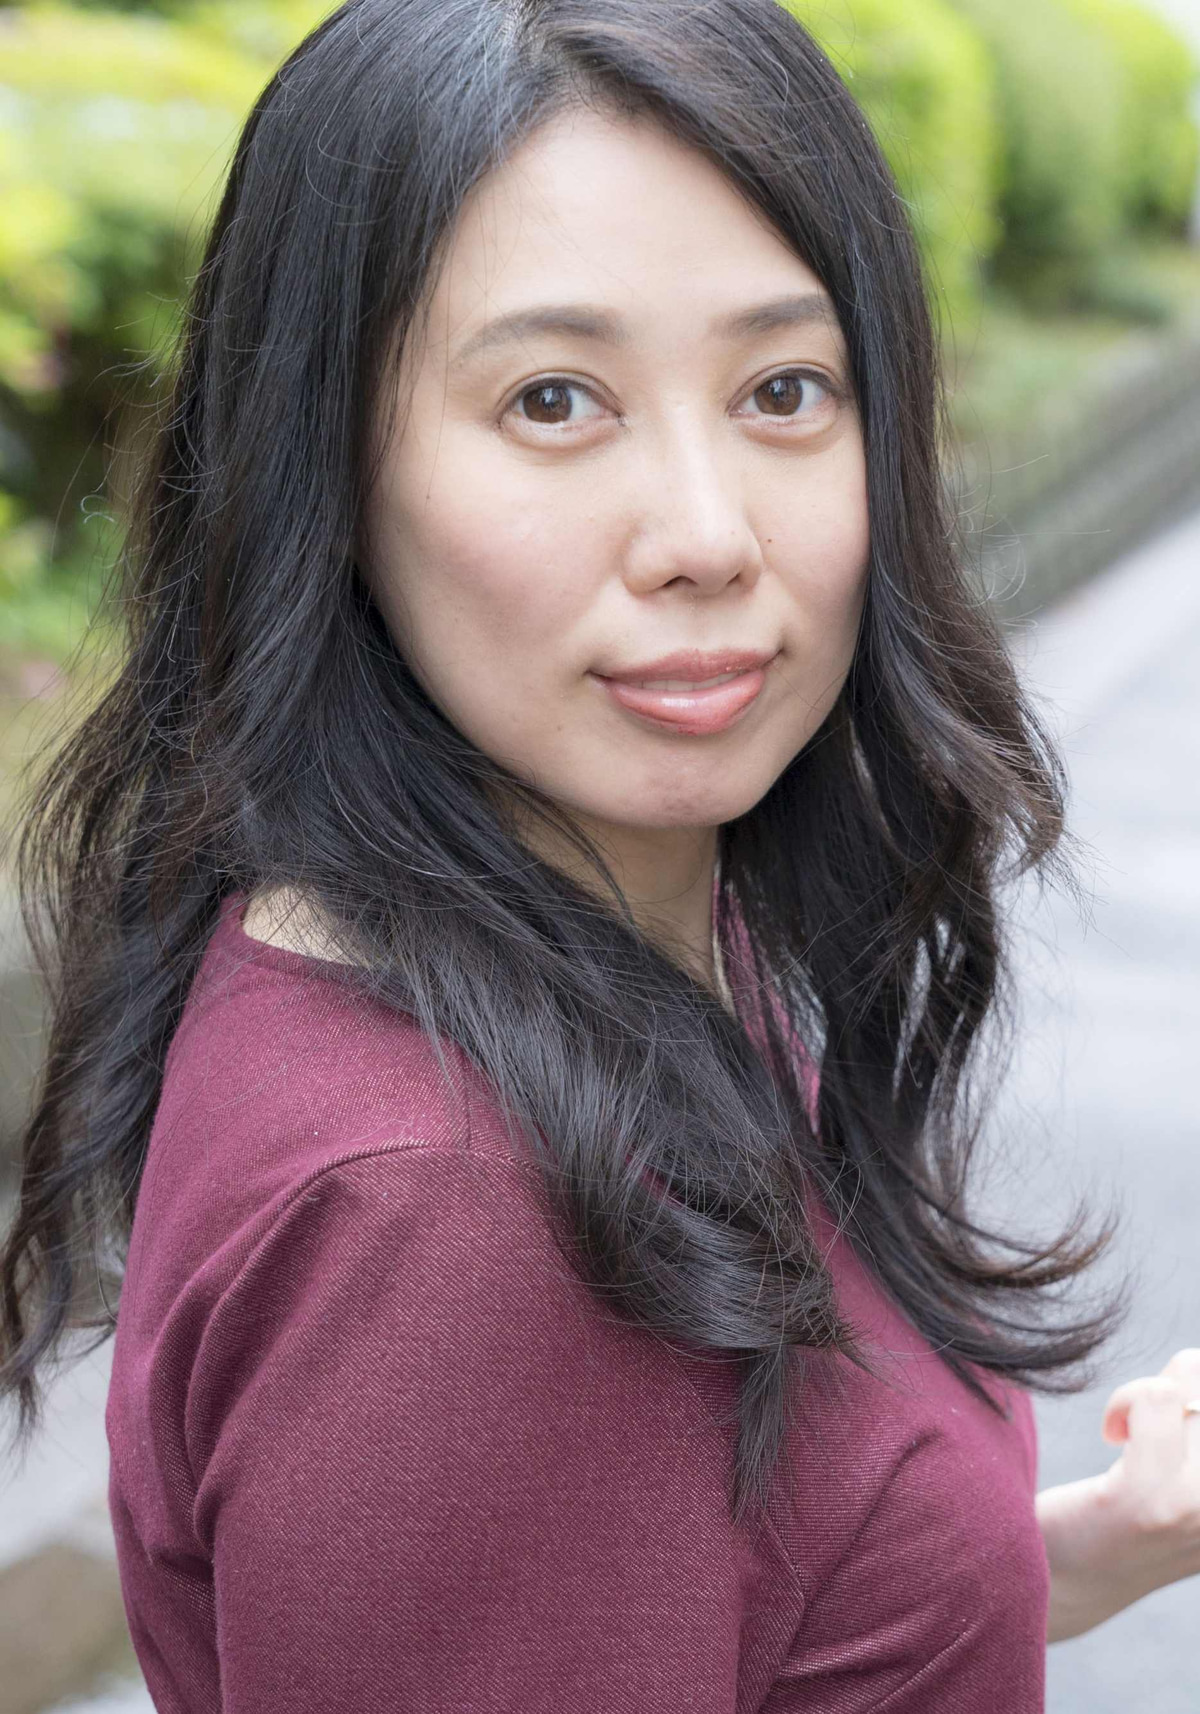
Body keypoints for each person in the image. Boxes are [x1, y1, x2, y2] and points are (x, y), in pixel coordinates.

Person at [3, 1, 1199, 1708]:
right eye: (553, 399)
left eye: (784, 388)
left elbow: (706, 1586)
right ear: (325, 464)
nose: (707, 533)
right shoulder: (455, 1212)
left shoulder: (583, 928)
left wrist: (1053, 1554)